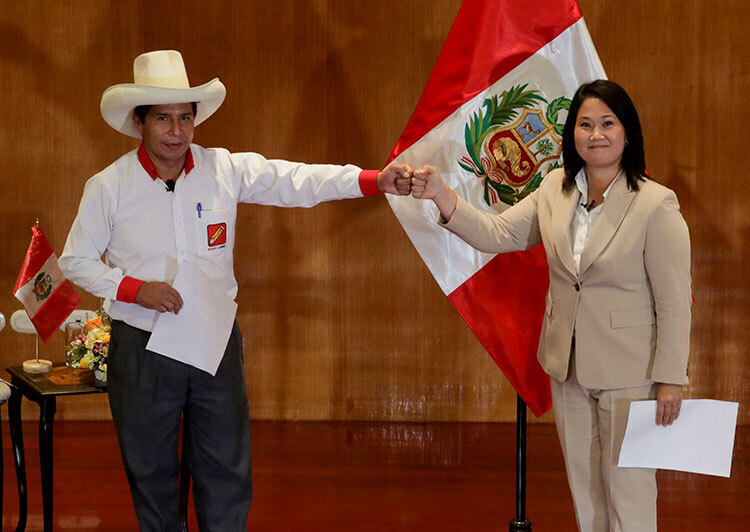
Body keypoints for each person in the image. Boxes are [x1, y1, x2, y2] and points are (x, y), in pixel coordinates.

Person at [59, 49, 412, 532]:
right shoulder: (108, 186)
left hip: (214, 342)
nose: (177, 131)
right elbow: (74, 260)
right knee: (152, 475)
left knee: (225, 469)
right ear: (139, 121)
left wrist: (373, 180)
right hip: (142, 348)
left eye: (186, 118)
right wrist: (133, 288)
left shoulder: (223, 169)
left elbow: (296, 180)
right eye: (163, 119)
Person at [410, 79, 691, 532]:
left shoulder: (656, 204)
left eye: (607, 124)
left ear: (627, 132)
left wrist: (671, 379)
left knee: (629, 493)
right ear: (572, 134)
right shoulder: (554, 187)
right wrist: (442, 196)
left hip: (632, 374)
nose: (595, 134)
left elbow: (675, 301)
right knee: (586, 495)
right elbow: (498, 234)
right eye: (584, 125)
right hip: (568, 368)